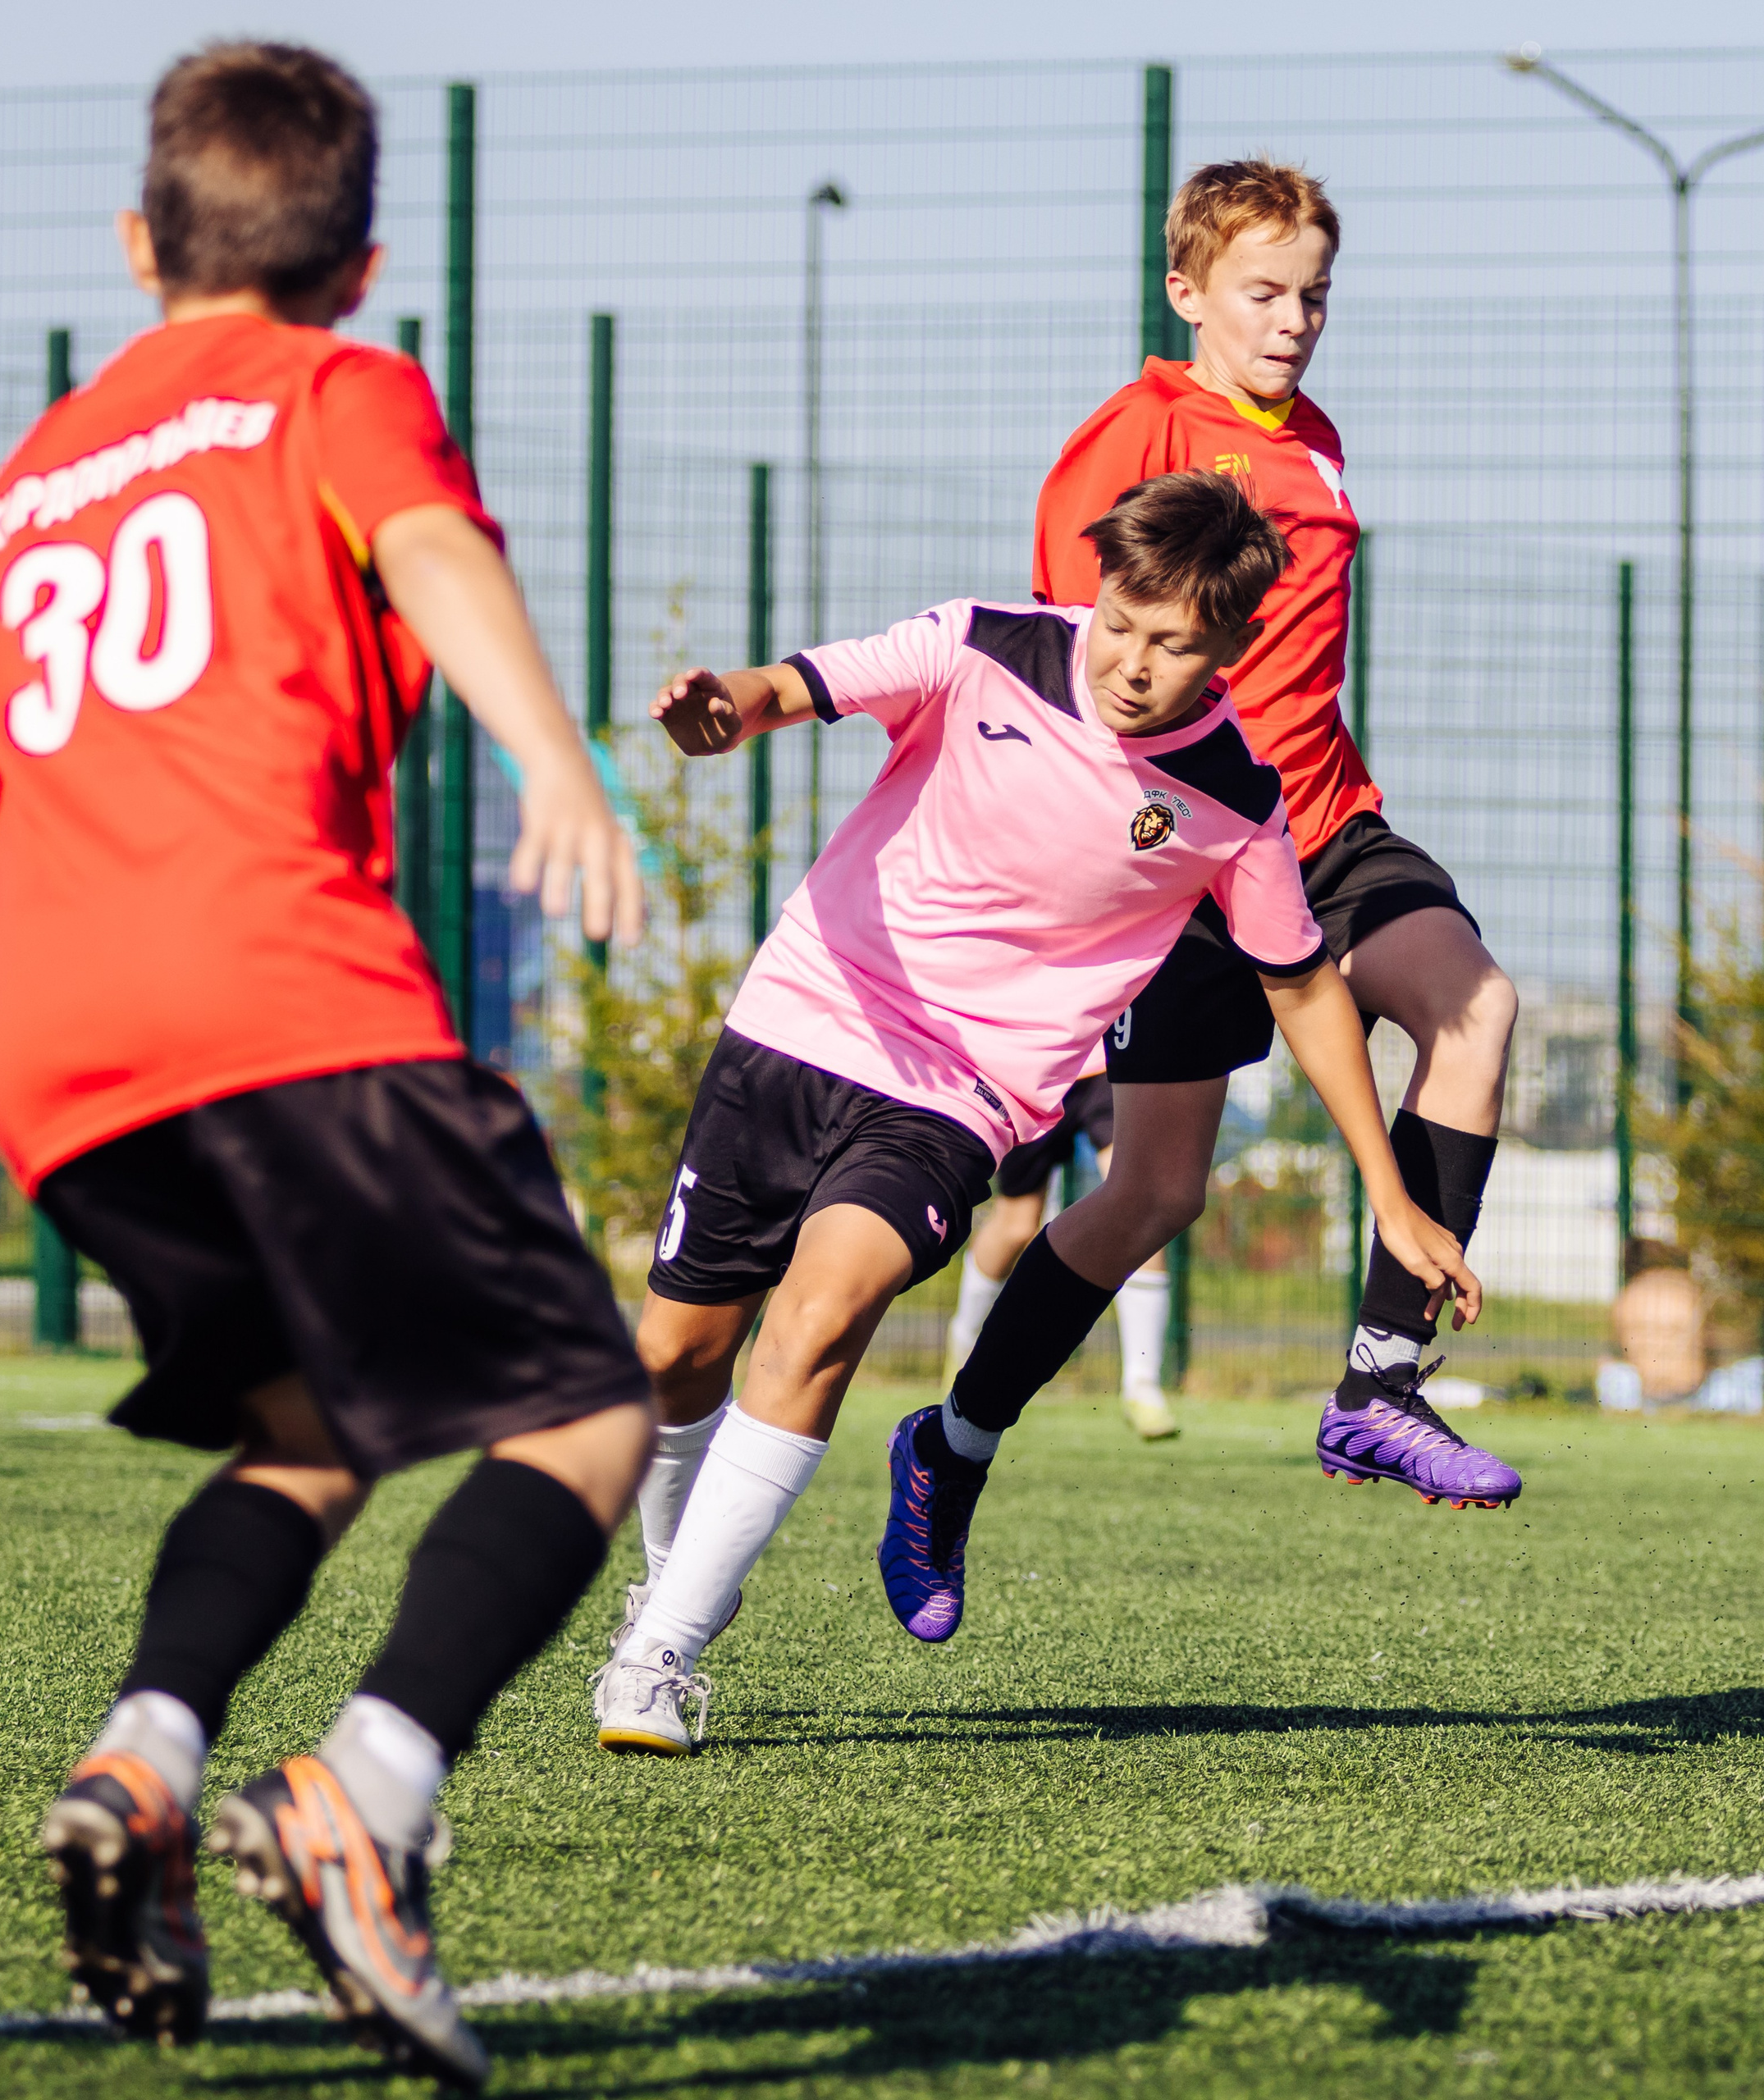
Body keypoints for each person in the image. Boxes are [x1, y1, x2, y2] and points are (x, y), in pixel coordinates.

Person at [0, 43, 649, 2085]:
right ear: (365, 257)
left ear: (140, 245)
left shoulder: (25, 477)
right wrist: (555, 761)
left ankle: (142, 1762)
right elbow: (425, 548)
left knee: (310, 1429)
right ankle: (365, 1796)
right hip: (274, 988)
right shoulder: (334, 385)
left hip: (46, 1040)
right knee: (588, 1410)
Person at [588, 469, 1479, 1754]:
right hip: (798, 1024)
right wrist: (726, 706)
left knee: (827, 1310)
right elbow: (797, 684)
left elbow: (1304, 991)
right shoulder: (979, 646)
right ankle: (670, 1591)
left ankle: (661, 1653)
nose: (1132, 662)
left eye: (1174, 646)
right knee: (675, 1357)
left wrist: (1391, 1196)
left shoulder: (1234, 802)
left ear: (1233, 648)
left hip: (961, 1096)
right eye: (1121, 622)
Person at [939, 157, 1524, 1543]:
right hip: (1179, 861)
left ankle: (1379, 1386)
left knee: (1477, 1003)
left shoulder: (1316, 435)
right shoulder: (1133, 433)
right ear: (1187, 290)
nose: (1293, 319)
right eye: (1264, 292)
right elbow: (1079, 666)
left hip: (1324, 826)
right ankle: (955, 1440)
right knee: (1151, 1189)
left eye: (1315, 295)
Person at [940, 1078, 1182, 1440]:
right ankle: (964, 1340)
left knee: (1140, 1203)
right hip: (1041, 1068)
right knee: (1017, 1224)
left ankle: (1143, 1384)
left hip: (1108, 1068)